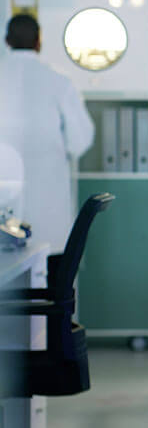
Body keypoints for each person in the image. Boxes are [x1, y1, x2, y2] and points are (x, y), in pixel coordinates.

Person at [0, 14, 94, 253]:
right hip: (47, 203)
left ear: (6, 40)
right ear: (39, 41)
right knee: (49, 277)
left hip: (4, 204)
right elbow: (80, 140)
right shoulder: (59, 82)